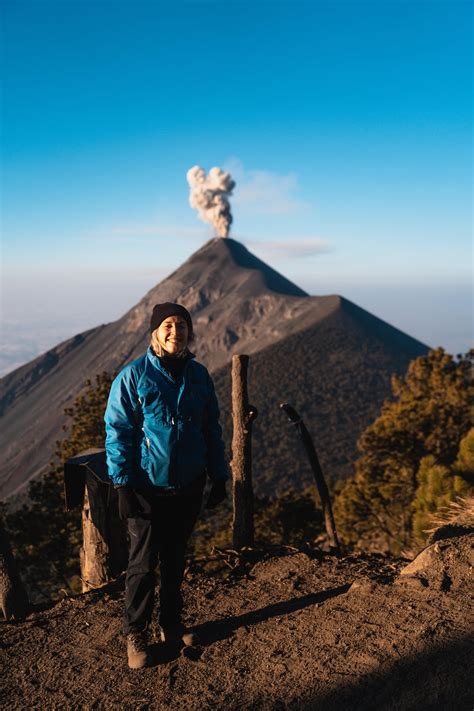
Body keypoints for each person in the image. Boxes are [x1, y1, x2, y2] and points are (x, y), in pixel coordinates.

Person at [104, 302, 228, 669]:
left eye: (182, 326)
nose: (176, 332)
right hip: (146, 487)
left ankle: (171, 624)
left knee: (175, 559)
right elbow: (118, 433)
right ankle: (135, 632)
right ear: (155, 332)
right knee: (142, 564)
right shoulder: (133, 377)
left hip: (188, 485)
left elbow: (212, 429)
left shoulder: (199, 375)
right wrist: (123, 484)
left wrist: (219, 475)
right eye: (169, 326)